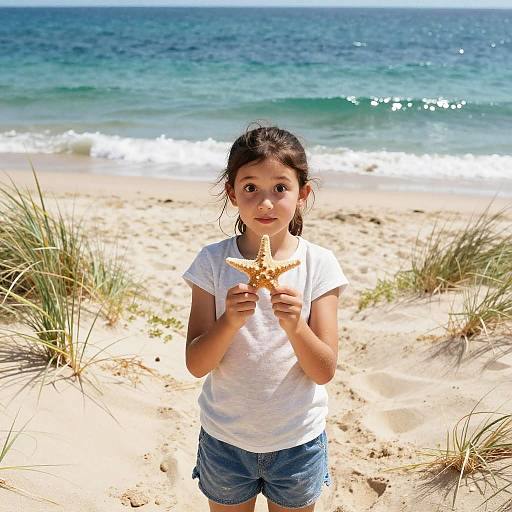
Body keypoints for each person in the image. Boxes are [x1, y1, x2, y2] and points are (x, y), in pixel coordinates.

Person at [182, 125, 349, 512]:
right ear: (232, 193)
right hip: (225, 439)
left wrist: (295, 325)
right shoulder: (211, 262)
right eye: (251, 188)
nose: (266, 202)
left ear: (302, 194)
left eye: (280, 188)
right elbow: (196, 364)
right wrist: (229, 322)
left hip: (297, 442)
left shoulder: (318, 264)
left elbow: (324, 371)